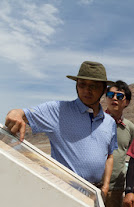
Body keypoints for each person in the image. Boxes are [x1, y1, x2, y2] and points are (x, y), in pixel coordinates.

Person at [5, 61, 117, 195]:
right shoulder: (57, 110)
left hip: (96, 193)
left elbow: (109, 156)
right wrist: (15, 114)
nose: (87, 90)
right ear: (76, 86)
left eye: (94, 86)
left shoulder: (109, 122)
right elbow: (22, 113)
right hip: (64, 191)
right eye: (82, 84)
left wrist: (104, 187)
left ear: (104, 90)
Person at [104, 80, 134, 207]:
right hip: (90, 185)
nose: (114, 98)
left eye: (119, 96)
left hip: (116, 188)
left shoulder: (129, 127)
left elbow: (130, 155)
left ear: (126, 102)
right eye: (110, 95)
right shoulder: (96, 120)